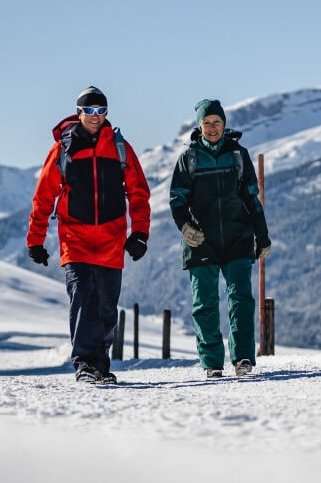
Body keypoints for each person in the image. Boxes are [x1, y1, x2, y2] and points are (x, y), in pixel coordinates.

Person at [27, 86, 152, 384]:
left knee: (107, 306)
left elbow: (138, 192)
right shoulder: (63, 149)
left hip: (111, 239)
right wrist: (35, 240)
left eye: (101, 111)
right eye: (89, 111)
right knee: (83, 298)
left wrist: (140, 234)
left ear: (106, 113)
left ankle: (101, 365)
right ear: (79, 112)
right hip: (76, 239)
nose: (95, 117)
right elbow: (44, 196)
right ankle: (84, 363)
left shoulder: (120, 147)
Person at [169, 98, 271, 378]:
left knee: (240, 300)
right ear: (199, 126)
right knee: (205, 304)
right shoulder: (188, 159)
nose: (212, 128)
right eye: (207, 123)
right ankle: (212, 363)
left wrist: (262, 237)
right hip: (201, 241)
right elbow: (177, 199)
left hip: (238, 238)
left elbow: (252, 198)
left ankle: (243, 360)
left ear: (224, 124)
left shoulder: (238, 155)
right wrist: (185, 227)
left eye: (217, 122)